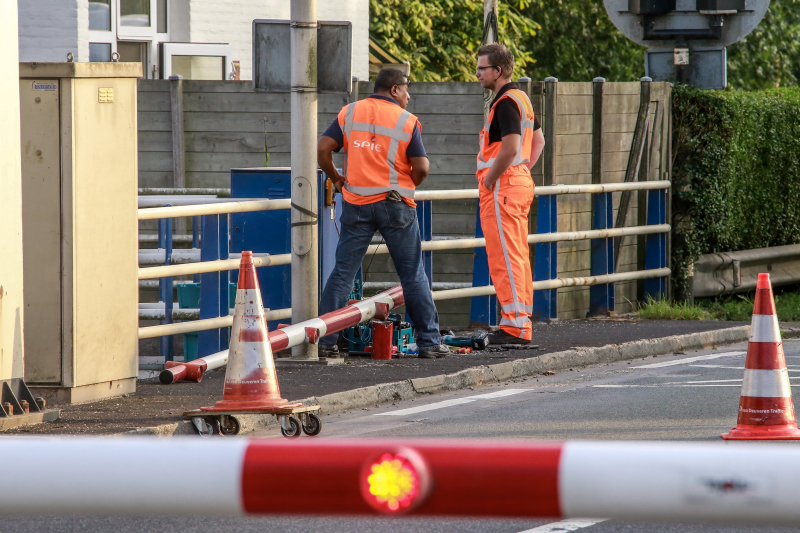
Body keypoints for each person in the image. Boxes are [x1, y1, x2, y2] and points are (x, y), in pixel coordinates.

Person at [316, 68, 448, 359]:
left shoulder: (349, 113)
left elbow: (323, 148)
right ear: (393, 90)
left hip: (357, 204)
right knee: (412, 275)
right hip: (395, 204)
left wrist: (336, 178)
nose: (409, 95)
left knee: (342, 274)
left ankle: (325, 343)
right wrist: (409, 184)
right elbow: (423, 167)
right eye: (406, 89)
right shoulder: (406, 121)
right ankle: (429, 342)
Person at [475, 43, 546, 345]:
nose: (477, 73)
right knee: (516, 255)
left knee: (504, 257)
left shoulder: (504, 103)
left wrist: (492, 179)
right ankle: (517, 321)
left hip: (502, 186)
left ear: (498, 71)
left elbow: (512, 147)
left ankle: (515, 326)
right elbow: (538, 141)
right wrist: (521, 170)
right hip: (517, 183)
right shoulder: (522, 99)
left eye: (482, 68)